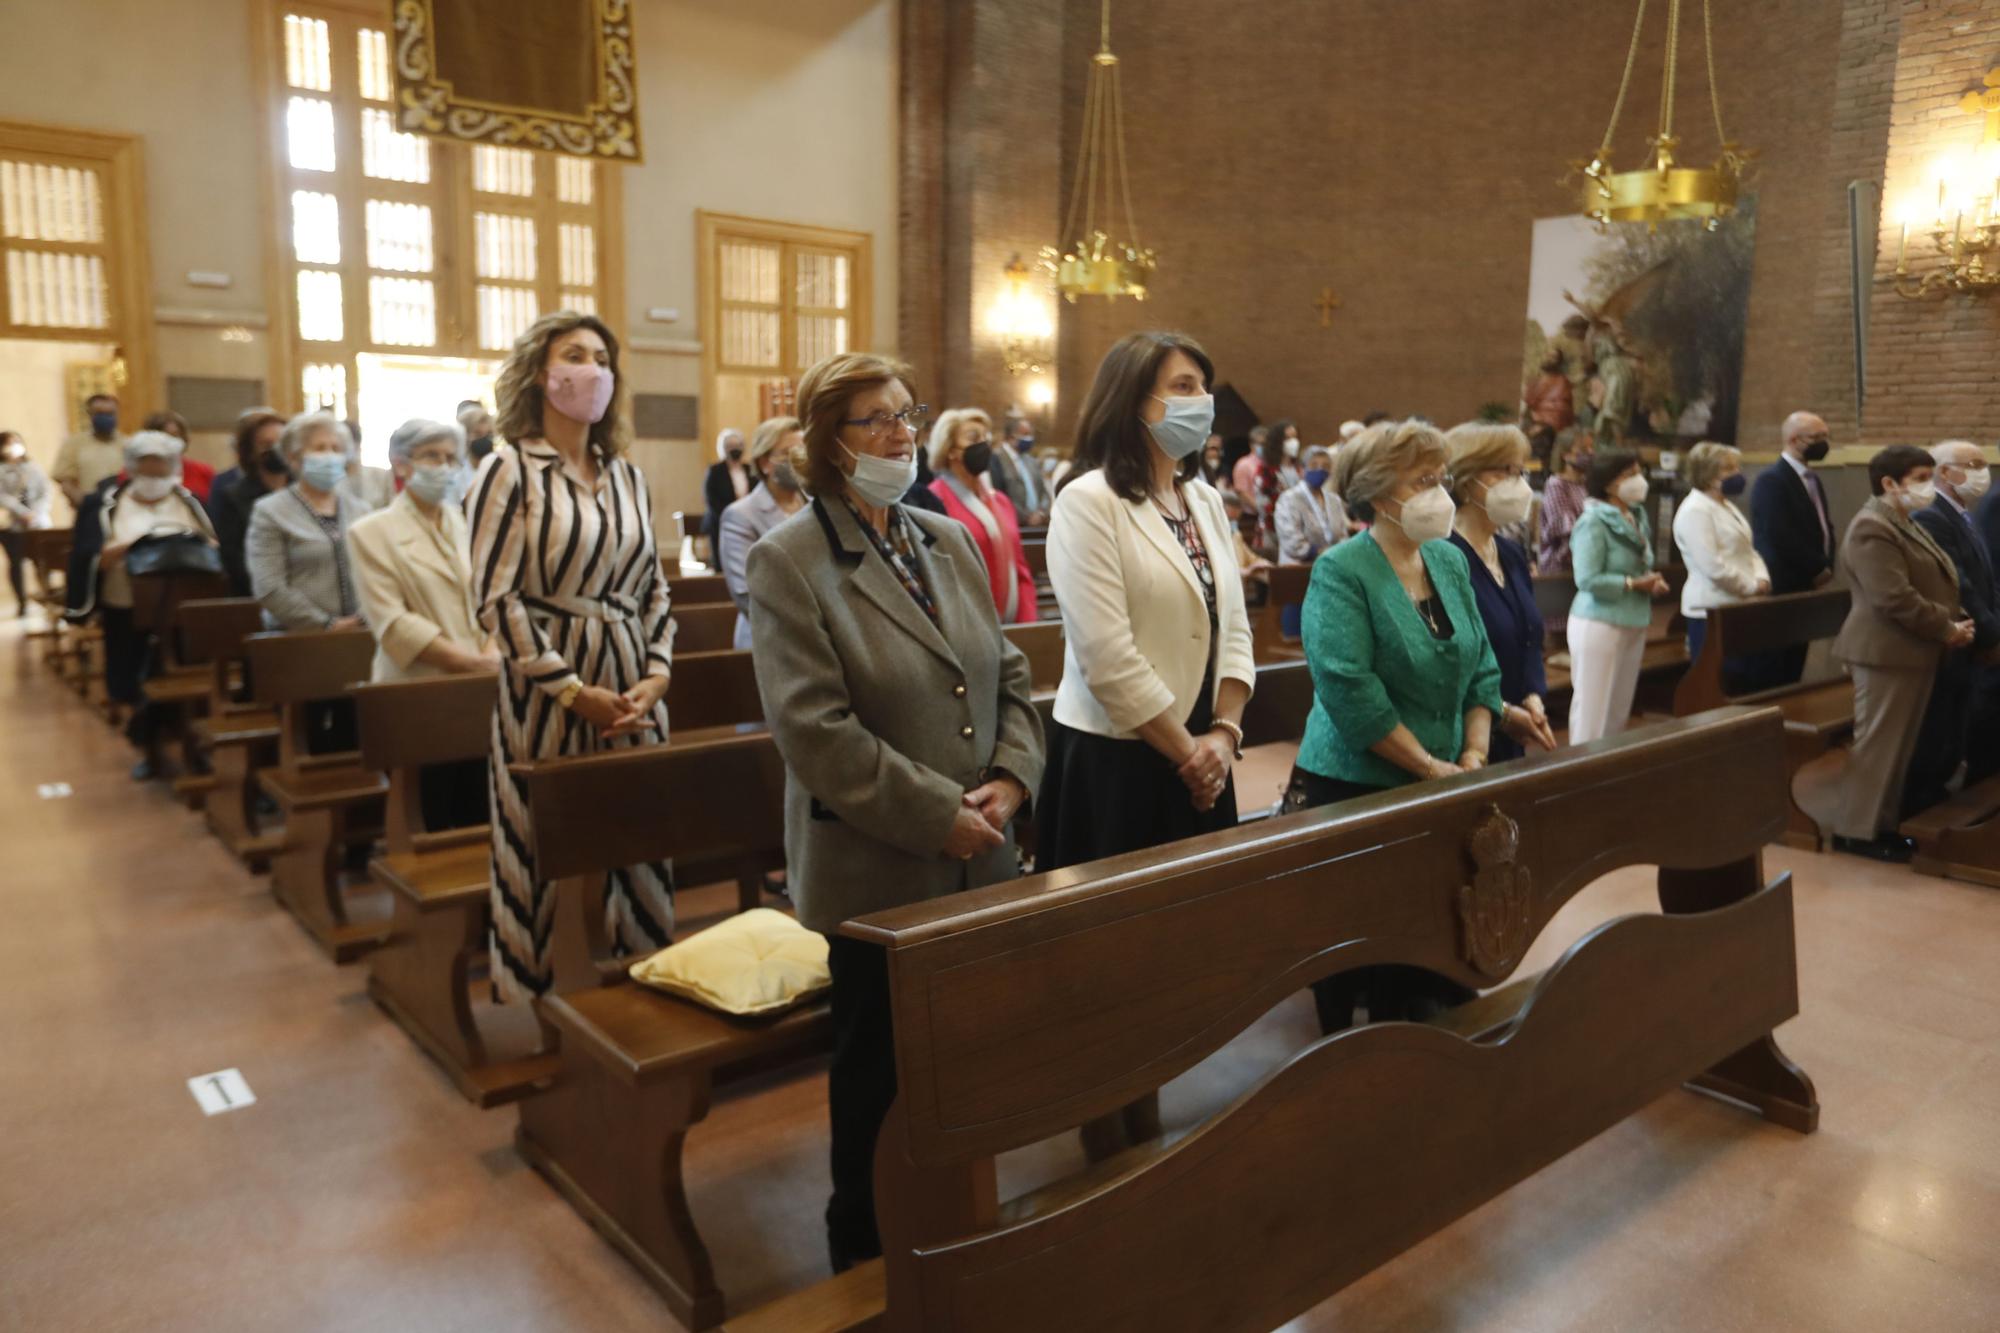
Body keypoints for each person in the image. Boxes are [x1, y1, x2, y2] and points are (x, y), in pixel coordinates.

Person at [746, 351, 1043, 1274]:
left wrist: (1012, 776)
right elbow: (815, 731)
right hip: (879, 869)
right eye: (874, 419)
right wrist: (935, 813)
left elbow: (1011, 673)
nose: (900, 434)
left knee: (967, 1059)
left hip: (979, 849)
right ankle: (865, 1249)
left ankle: (957, 1220)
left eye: (907, 414)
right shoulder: (789, 557)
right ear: (828, 443)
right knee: (877, 1078)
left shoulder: (941, 536)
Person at [1042, 330, 1255, 1158]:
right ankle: (1104, 1127)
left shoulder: (1203, 501)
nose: (1200, 400)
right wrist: (1187, 749)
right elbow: (1105, 654)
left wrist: (1227, 733)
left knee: (1174, 956)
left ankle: (1151, 1110)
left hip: (1201, 752)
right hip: (1118, 764)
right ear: (1135, 400)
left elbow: (1234, 625)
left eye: (1202, 383)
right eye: (1183, 384)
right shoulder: (1087, 501)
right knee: (1108, 966)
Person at [469, 310, 676, 1003]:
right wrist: (568, 687)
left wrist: (656, 673)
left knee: (640, 827)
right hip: (549, 683)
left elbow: (653, 586)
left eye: (600, 356)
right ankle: (543, 992)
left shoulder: (627, 476)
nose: (590, 369)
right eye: (573, 354)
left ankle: (642, 978)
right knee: (546, 839)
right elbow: (495, 599)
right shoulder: (508, 470)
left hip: (631, 676)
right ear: (539, 373)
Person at [1288, 419, 1519, 1032]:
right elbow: (1350, 691)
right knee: (1369, 944)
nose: (1438, 494)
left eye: (1440, 479)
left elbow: (1483, 668)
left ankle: (1426, 1041)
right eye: (1421, 481)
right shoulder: (1342, 571)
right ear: (1376, 493)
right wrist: (1430, 768)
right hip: (1357, 786)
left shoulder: (1446, 559)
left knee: (1436, 944)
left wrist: (1472, 754)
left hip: (1444, 782)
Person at [348, 417, 493, 831]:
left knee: (481, 810)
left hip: (478, 688)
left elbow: (492, 598)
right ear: (401, 464)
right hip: (418, 691)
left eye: (451, 457)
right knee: (436, 815)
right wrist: (472, 663)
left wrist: (492, 651)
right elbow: (393, 624)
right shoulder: (371, 533)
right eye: (431, 456)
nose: (443, 466)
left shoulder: (465, 524)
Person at [1831, 446, 1972, 860]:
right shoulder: (1872, 527)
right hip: (1885, 653)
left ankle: (1883, 824)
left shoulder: (1902, 521)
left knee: (1899, 747)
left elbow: (1935, 577)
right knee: (1878, 747)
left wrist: (1955, 617)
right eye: (1920, 477)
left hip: (1909, 651)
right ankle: (1855, 832)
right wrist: (1946, 627)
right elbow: (1892, 597)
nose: (1929, 485)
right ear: (1889, 483)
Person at [67, 431, 217, 778]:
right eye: (147, 469)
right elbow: (88, 556)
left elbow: (214, 544)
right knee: (135, 682)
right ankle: (149, 748)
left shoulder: (188, 501)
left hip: (182, 611)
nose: (154, 477)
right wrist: (120, 551)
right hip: (127, 607)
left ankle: (191, 744)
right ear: (132, 468)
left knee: (184, 682)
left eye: (161, 469)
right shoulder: (106, 504)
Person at [1445, 423, 1556, 762]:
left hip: (1513, 727)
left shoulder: (1509, 553)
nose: (1519, 483)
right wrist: (1503, 712)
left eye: (1520, 471)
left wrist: (1533, 696)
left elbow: (1529, 635)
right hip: (1460, 736)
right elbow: (1449, 659)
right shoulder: (1442, 555)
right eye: (1505, 471)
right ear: (1466, 478)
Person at [1906, 441, 1998, 807]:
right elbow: (1960, 584)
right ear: (1944, 472)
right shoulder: (1931, 515)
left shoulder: (1962, 514)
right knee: (1941, 734)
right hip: (1954, 641)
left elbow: (1988, 583)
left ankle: (1966, 797)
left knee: (1962, 729)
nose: (1982, 472)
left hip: (1975, 635)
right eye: (1973, 464)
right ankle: (1923, 810)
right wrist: (1991, 636)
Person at [1567, 451, 1671, 743]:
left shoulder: (1635, 515)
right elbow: (1586, 578)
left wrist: (1650, 581)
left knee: (1618, 709)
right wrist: (1633, 583)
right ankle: (1579, 773)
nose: (1639, 481)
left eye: (1639, 473)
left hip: (1633, 618)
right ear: (1609, 484)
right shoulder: (1593, 521)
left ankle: (1609, 770)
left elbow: (1639, 563)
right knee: (1592, 709)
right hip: (1600, 620)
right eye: (1629, 475)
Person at [245, 411, 370, 632]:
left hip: (361, 631)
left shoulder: (360, 510)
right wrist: (326, 624)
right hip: (299, 636)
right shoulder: (270, 511)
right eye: (320, 448)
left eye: (336, 449)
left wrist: (363, 617)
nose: (330, 456)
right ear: (294, 458)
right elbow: (269, 587)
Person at [1749, 411, 1838, 686]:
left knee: (1797, 657)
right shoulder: (1772, 480)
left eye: (1825, 436)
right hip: (1785, 583)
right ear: (1793, 439)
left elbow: (1824, 526)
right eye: (1816, 437)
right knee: (1779, 663)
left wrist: (1828, 564)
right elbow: (1779, 535)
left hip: (1808, 582)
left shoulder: (1811, 478)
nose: (1823, 442)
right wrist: (1816, 568)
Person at [926, 407, 1037, 624]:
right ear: (950, 450)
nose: (983, 444)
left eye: (986, 438)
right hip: (968, 626)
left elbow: (1020, 569)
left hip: (1014, 621)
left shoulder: (1001, 502)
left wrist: (1027, 620)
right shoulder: (933, 500)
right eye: (974, 438)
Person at [1672, 442, 1771, 673]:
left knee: (1744, 676)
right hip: (1711, 607)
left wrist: (1761, 577)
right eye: (1728, 468)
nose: (1737, 473)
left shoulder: (1725, 506)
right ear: (1706, 473)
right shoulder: (1695, 510)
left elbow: (1748, 549)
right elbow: (1712, 565)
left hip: (1738, 603)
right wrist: (1750, 586)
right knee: (1720, 677)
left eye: (1737, 467)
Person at [718, 415, 809, 649]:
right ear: (765, 463)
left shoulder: (815, 506)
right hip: (770, 643)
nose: (799, 460)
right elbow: (747, 596)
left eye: (803, 451)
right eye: (789, 453)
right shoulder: (740, 515)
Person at [209, 410, 287, 596]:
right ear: (250, 452)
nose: (276, 450)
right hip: (255, 593)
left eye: (282, 443)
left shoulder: (303, 492)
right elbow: (234, 558)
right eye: (266, 444)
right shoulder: (233, 496)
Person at [1, 431, 52, 616]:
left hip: (37, 522)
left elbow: (45, 491)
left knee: (43, 561)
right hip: (13, 524)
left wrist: (36, 513)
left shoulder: (32, 467)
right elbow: (3, 497)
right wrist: (22, 513)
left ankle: (48, 598)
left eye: (16, 442)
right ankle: (21, 602)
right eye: (8, 443)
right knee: (16, 563)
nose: (13, 446)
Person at [52, 392, 127, 511]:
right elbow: (65, 479)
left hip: (122, 507)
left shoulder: (127, 444)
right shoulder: (75, 444)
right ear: (90, 414)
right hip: (90, 507)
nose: (105, 417)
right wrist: (81, 501)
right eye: (100, 413)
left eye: (110, 413)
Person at [1536, 433, 1591, 573]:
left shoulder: (1585, 484)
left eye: (1592, 448)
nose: (1591, 453)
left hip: (1583, 563)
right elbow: (1564, 529)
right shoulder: (1556, 485)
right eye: (1584, 450)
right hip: (1559, 566)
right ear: (1566, 455)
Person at [987, 411, 1049, 526]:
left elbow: (1043, 491)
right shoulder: (995, 460)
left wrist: (1041, 513)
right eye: (1025, 434)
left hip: (1038, 524)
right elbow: (999, 494)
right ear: (1011, 437)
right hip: (1012, 524)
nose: (1029, 438)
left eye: (1030, 434)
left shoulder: (1031, 460)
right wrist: (1026, 517)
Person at [140, 410, 215, 502]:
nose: (170, 442)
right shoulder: (134, 473)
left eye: (175, 435)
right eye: (164, 436)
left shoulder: (203, 472)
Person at [702, 427, 751, 553]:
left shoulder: (750, 470)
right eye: (730, 446)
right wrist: (729, 518)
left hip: (747, 522)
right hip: (720, 522)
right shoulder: (715, 471)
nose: (734, 449)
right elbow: (711, 499)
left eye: (737, 445)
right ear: (723, 448)